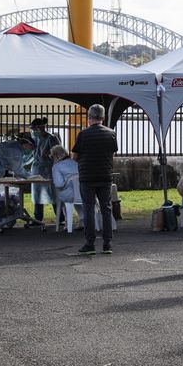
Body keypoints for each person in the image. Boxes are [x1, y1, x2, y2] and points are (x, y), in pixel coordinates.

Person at [71, 104, 118, 255]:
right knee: (106, 208)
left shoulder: (83, 135)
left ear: (89, 117)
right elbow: (112, 154)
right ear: (103, 118)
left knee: (88, 209)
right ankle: (107, 244)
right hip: (105, 175)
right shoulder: (111, 133)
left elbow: (75, 156)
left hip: (87, 176)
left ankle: (90, 243)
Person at [29, 117, 61, 224]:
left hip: (49, 171)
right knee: (37, 195)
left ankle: (60, 218)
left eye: (34, 129)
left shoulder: (52, 138)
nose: (33, 131)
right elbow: (31, 155)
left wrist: (48, 154)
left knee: (53, 194)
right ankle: (37, 218)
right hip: (37, 170)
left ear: (41, 127)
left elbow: (59, 154)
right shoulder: (35, 139)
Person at [50, 144, 82, 228]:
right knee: (78, 200)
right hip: (83, 193)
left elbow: (59, 184)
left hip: (69, 196)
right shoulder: (75, 163)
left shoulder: (56, 167)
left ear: (56, 156)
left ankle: (68, 223)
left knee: (63, 200)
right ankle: (83, 220)